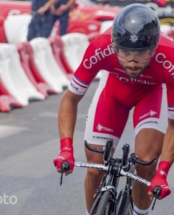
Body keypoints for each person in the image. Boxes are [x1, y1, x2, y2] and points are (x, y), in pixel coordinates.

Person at [53, 3, 174, 215]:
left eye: (142, 53)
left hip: (152, 94)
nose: (133, 61)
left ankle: (138, 212)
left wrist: (162, 172)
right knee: (94, 169)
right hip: (114, 93)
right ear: (114, 45)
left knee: (146, 164)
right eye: (125, 52)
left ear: (154, 48)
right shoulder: (100, 47)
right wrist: (65, 149)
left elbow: (173, 123)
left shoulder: (170, 58)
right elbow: (70, 100)